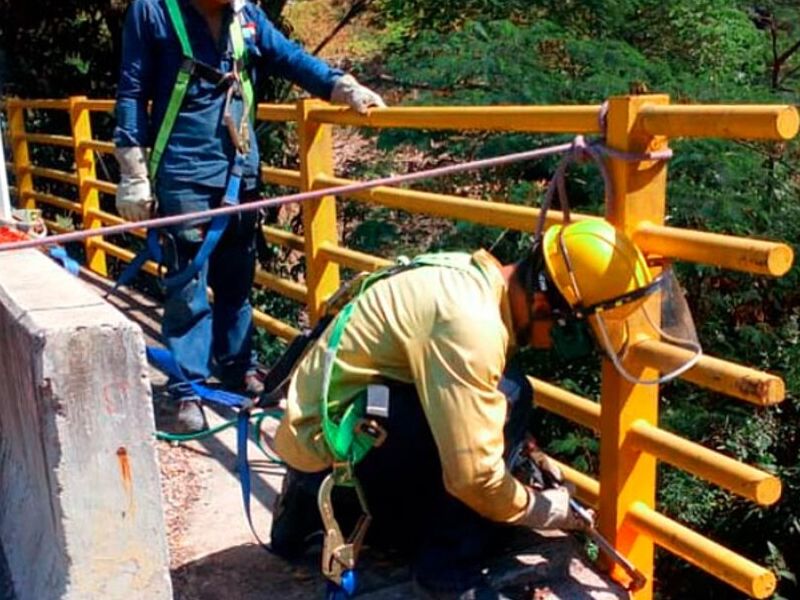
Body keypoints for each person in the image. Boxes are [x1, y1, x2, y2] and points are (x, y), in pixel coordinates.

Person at [270, 218, 702, 599]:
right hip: (333, 458)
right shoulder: (471, 328)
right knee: (509, 403)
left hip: (322, 433)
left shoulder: (469, 277)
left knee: (501, 406)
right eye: (580, 330)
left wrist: (520, 453)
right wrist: (546, 509)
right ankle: (445, 574)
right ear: (543, 306)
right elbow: (474, 479)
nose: (564, 345)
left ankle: (313, 510)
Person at [113, 0, 385, 433]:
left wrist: (341, 87)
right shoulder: (153, 12)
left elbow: (290, 58)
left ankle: (237, 368)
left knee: (237, 278)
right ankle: (187, 388)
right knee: (188, 285)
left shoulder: (245, 17)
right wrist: (133, 173)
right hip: (184, 172)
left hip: (240, 172)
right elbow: (132, 92)